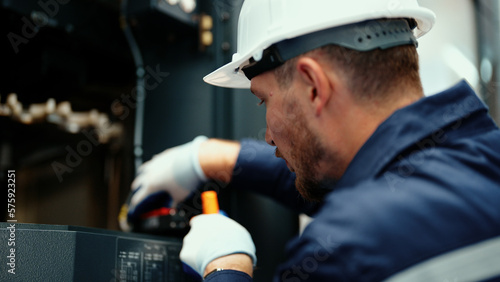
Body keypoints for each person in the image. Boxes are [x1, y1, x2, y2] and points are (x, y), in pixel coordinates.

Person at [127, 0, 500, 281]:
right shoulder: (481, 155)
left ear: (313, 86)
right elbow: (367, 182)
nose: (268, 134)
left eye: (263, 100)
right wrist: (214, 157)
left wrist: (227, 267)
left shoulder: (347, 251)